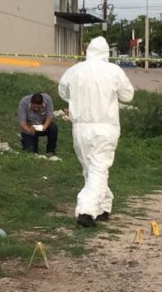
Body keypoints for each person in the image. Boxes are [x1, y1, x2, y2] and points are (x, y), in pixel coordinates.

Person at [58, 36, 135, 228]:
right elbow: (128, 96)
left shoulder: (74, 70)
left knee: (91, 169)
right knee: (98, 168)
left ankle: (103, 207)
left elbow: (63, 92)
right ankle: (86, 211)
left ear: (88, 51)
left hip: (80, 127)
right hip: (105, 126)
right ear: (107, 53)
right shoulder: (113, 70)